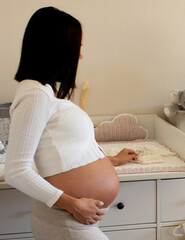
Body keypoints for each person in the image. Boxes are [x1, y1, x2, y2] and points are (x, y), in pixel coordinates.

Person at [5, 6, 138, 240]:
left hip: (72, 221)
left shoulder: (46, 91)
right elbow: (16, 171)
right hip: (64, 220)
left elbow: (64, 154)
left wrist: (112, 161)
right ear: (57, 47)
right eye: (78, 47)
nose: (80, 55)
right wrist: (73, 204)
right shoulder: (34, 94)